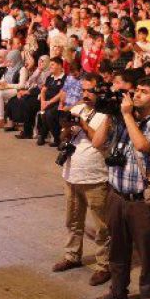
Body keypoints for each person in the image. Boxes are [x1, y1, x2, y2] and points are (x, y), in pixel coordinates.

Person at [91, 76, 150, 299]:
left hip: (142, 201)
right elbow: (97, 142)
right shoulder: (122, 118)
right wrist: (110, 113)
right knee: (117, 248)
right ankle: (118, 291)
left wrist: (126, 116)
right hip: (116, 196)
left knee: (147, 254)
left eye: (143, 92)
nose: (136, 95)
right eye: (136, 90)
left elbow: (143, 146)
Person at [52, 73, 111, 287]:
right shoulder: (76, 109)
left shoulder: (106, 115)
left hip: (95, 176)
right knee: (73, 220)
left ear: (99, 91)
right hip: (72, 173)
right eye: (83, 90)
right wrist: (67, 128)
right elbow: (61, 138)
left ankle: (104, 265)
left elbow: (99, 142)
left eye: (90, 90)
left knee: (102, 226)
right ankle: (72, 256)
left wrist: (83, 124)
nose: (85, 94)